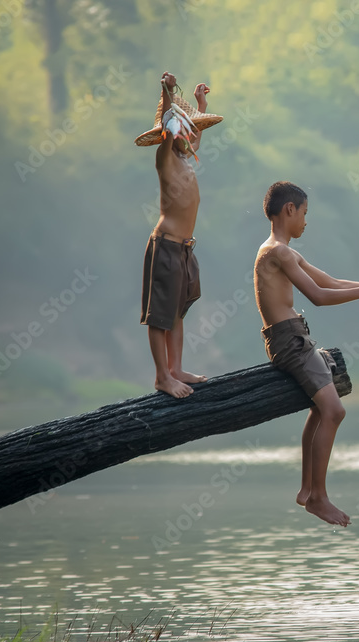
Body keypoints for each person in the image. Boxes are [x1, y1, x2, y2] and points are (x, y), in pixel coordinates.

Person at [254, 181, 359, 526]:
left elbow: (331, 281)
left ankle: (308, 490)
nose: (306, 221)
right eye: (305, 213)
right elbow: (318, 297)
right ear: (289, 210)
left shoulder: (281, 250)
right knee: (334, 411)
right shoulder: (278, 252)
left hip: (293, 339)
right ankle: (318, 496)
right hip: (290, 342)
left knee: (321, 411)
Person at [134, 71, 222, 398]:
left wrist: (200, 103)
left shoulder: (186, 156)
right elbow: (170, 126)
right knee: (160, 315)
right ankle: (161, 376)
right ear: (172, 132)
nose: (188, 134)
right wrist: (166, 90)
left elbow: (194, 136)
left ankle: (176, 368)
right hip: (166, 246)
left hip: (184, 249)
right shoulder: (166, 158)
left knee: (177, 310)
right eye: (182, 128)